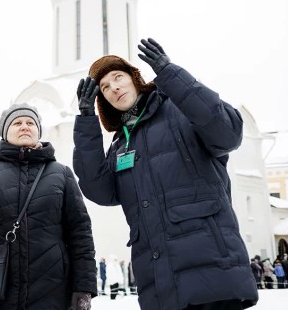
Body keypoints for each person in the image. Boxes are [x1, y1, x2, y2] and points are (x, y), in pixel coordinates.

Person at [73, 38, 259, 310]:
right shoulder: (121, 143)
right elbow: (99, 190)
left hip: (214, 277)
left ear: (135, 78)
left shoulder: (180, 111)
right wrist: (86, 119)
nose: (114, 87)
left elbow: (227, 132)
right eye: (104, 87)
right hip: (160, 286)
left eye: (118, 77)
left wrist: (169, 72)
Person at [0, 103, 97, 309]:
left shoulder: (61, 174)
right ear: (5, 133)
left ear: (38, 131)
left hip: (52, 291)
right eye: (17, 123)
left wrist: (84, 287)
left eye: (30, 122)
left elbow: (80, 233)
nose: (24, 126)